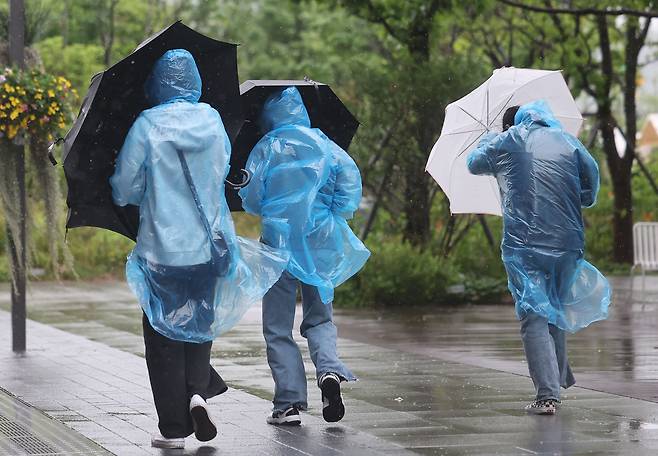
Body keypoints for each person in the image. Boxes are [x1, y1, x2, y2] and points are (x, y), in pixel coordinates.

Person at [110, 49, 288, 449]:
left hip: (162, 251)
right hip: (211, 246)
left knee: (162, 336)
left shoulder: (147, 124)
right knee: (198, 327)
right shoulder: (211, 119)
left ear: (157, 82)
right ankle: (197, 392)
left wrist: (147, 189)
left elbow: (123, 187)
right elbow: (221, 170)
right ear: (194, 81)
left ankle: (173, 429)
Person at [467, 100, 611, 416]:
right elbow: (591, 180)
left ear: (511, 124)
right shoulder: (567, 141)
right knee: (554, 310)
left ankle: (547, 394)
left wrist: (488, 140)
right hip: (568, 240)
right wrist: (578, 198)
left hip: (525, 242)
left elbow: (474, 164)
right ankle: (555, 380)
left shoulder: (508, 140)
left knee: (534, 314)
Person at [239, 87, 370, 425]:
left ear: (268, 117)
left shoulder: (266, 148)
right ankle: (328, 371)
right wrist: (325, 211)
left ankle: (289, 403)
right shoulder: (327, 146)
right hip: (320, 242)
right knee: (320, 318)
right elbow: (349, 194)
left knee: (278, 327)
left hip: (278, 243)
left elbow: (251, 199)